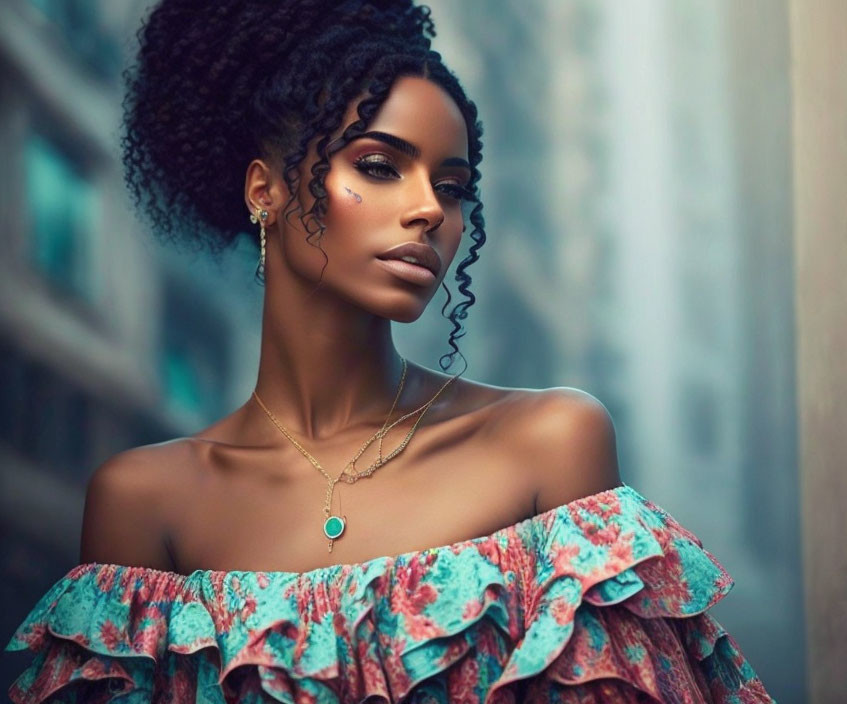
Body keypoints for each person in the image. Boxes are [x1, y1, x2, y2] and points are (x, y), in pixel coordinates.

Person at [5, 1, 776, 702]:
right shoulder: (142, 503)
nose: (427, 210)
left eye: (454, 185)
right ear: (263, 188)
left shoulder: (550, 444)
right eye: (379, 166)